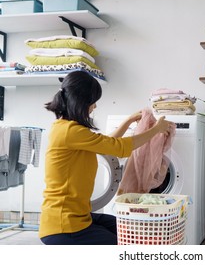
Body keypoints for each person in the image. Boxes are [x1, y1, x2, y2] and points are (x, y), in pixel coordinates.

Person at [39, 71, 174, 245]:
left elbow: (107, 145)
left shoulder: (67, 129)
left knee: (127, 229)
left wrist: (129, 120)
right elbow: (120, 149)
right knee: (123, 245)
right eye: (93, 101)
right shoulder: (70, 132)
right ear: (81, 101)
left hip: (77, 218)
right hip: (65, 226)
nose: (94, 107)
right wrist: (156, 129)